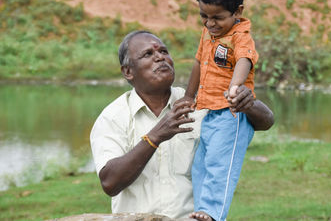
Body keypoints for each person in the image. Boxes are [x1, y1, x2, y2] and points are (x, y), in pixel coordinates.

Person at [90, 30, 274, 219]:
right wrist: (155, 137)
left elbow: (266, 121)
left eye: (164, 52)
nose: (160, 58)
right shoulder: (113, 117)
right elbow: (110, 183)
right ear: (128, 71)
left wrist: (248, 103)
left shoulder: (200, 102)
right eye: (148, 54)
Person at [176, 0, 259, 221]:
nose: (210, 23)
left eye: (218, 18)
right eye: (204, 16)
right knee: (201, 165)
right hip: (210, 112)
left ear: (238, 12)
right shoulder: (208, 33)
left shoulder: (240, 36)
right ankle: (201, 210)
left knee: (220, 166)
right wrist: (189, 96)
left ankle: (213, 214)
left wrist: (235, 88)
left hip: (232, 114)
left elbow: (245, 60)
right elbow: (198, 63)